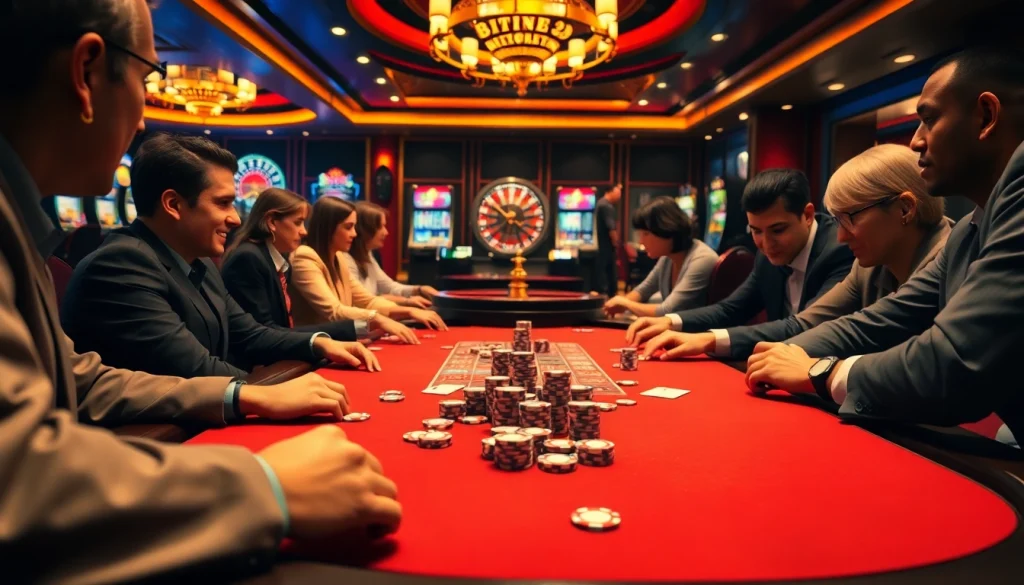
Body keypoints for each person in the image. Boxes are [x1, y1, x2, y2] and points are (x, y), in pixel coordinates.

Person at [0, 1, 399, 582]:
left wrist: (252, 392)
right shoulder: (119, 263)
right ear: (86, 72)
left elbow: (82, 377)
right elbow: (13, 480)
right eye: (146, 77)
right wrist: (265, 485)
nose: (142, 120)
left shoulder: (24, 227)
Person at [745, 47, 1024, 446]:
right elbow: (875, 323)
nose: (916, 140)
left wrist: (822, 373)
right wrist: (775, 357)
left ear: (986, 116)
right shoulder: (969, 230)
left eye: (929, 119)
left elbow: (953, 365)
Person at [61, 133, 380, 378]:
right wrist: (271, 392)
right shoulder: (121, 265)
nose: (236, 219)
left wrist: (318, 343)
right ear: (174, 205)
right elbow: (196, 369)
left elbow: (251, 334)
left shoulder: (200, 263)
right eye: (222, 203)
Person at [642, 144, 951, 360]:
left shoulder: (952, 257)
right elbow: (817, 325)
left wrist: (822, 373)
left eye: (850, 219)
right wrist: (710, 337)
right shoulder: (868, 264)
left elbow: (878, 340)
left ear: (905, 209)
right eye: (756, 231)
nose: (841, 236)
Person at [625, 169, 855, 348]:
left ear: (807, 215)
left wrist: (709, 339)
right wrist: (671, 321)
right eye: (756, 231)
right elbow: (730, 310)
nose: (766, 243)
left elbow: (804, 327)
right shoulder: (766, 256)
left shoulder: (841, 251)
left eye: (778, 230)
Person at [291, 196, 447, 342]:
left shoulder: (338, 257)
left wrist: (408, 311)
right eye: (348, 227)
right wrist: (379, 319)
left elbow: (367, 301)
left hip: (339, 341)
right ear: (328, 228)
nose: (354, 233)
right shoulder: (304, 257)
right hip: (313, 347)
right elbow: (334, 311)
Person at [220, 187, 362, 341]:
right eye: (298, 222)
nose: (304, 231)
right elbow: (263, 333)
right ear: (272, 222)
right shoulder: (248, 259)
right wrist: (354, 329)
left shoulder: (278, 259)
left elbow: (282, 331)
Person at [602, 196, 718, 318]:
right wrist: (612, 305)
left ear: (668, 229)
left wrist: (626, 304)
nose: (641, 241)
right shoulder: (667, 257)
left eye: (646, 234)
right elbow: (643, 290)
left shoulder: (702, 259)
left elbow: (669, 311)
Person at [346, 201, 439, 309]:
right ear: (365, 230)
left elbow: (389, 287)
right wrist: (406, 301)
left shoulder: (367, 254)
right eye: (380, 227)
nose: (386, 232)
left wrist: (419, 289)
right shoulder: (346, 259)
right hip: (362, 319)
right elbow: (364, 301)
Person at [593, 182, 622, 297]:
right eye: (618, 193)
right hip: (606, 247)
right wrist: (616, 243)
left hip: (600, 246)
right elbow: (611, 228)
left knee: (602, 273)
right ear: (610, 192)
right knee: (610, 276)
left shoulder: (600, 203)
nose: (619, 196)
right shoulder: (606, 206)